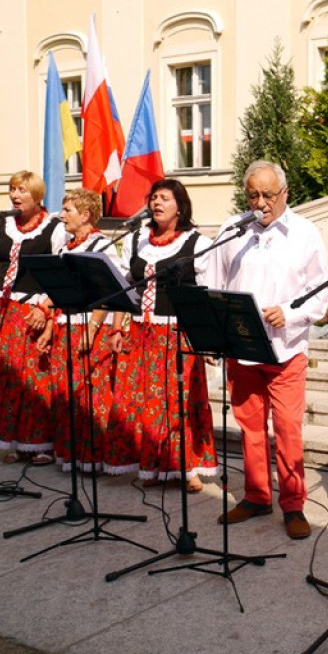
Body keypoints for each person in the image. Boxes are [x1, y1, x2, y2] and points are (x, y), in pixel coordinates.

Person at [205, 160, 328, 540]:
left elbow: (320, 294)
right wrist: (214, 336)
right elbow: (212, 282)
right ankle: (257, 495)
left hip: (285, 350)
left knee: (288, 430)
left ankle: (293, 504)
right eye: (253, 195)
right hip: (242, 350)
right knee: (249, 427)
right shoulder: (231, 231)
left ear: (285, 194)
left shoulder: (305, 234)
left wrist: (289, 313)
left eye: (268, 195)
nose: (260, 202)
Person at [102, 179, 217, 493]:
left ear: (180, 206)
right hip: (140, 332)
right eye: (153, 198)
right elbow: (124, 286)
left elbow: (205, 294)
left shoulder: (197, 242)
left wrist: (206, 339)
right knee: (140, 401)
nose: (156, 203)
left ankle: (187, 468)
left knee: (177, 402)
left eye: (164, 198)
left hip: (178, 334)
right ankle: (148, 465)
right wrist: (116, 327)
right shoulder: (137, 239)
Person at [0, 171, 68, 465]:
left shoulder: (54, 228)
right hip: (5, 308)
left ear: (36, 195)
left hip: (35, 308)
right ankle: (14, 440)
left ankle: (40, 443)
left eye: (21, 190)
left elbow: (62, 275)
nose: (15, 195)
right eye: (12, 189)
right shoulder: (2, 225)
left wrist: (45, 309)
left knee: (35, 376)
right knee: (8, 374)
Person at [38, 188, 117, 472]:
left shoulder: (101, 246)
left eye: (68, 209)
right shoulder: (65, 247)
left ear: (85, 215)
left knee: (90, 394)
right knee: (66, 392)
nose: (61, 215)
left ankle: (94, 457)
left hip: (88, 326)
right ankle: (71, 454)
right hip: (64, 325)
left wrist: (93, 328)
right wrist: (49, 327)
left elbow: (108, 292)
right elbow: (61, 292)